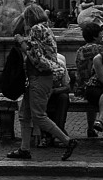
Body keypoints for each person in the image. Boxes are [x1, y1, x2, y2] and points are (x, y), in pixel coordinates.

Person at [7, 21, 76, 160]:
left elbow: (35, 56)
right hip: (35, 79)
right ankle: (24, 149)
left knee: (38, 116)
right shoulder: (45, 30)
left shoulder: (36, 29)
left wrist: (21, 42)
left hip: (38, 79)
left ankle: (67, 141)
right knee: (24, 115)